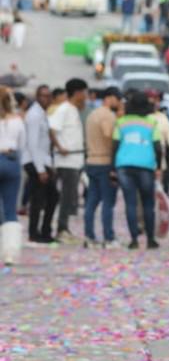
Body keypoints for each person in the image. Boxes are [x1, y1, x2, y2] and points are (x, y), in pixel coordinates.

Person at [114, 91, 162, 249]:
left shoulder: (121, 122)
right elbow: (157, 146)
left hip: (124, 165)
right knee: (148, 204)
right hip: (146, 165)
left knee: (130, 203)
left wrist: (113, 167)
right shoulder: (151, 122)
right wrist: (159, 166)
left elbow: (114, 145)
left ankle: (134, 239)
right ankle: (150, 239)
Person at [49, 78, 87, 242]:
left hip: (75, 160)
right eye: (84, 92)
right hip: (66, 161)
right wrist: (59, 147)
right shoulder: (63, 109)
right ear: (77, 93)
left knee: (71, 196)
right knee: (66, 196)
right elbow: (52, 130)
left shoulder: (74, 109)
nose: (86, 96)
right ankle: (61, 228)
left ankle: (64, 228)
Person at [83, 88, 121, 249]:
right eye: (117, 99)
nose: (119, 103)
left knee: (91, 200)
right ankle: (108, 236)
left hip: (91, 160)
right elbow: (109, 136)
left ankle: (89, 235)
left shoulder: (92, 114)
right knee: (107, 201)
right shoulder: (107, 115)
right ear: (110, 98)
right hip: (104, 161)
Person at [23, 85, 58, 245]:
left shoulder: (42, 114)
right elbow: (32, 144)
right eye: (43, 96)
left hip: (42, 161)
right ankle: (35, 232)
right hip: (34, 162)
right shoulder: (34, 115)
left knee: (51, 197)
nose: (47, 99)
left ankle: (44, 231)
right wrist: (40, 170)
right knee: (39, 199)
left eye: (49, 96)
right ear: (37, 97)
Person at [0, 86, 26, 265]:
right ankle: (10, 252)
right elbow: (22, 146)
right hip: (11, 161)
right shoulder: (17, 121)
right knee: (10, 210)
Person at [146, 91, 169, 196]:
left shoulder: (164, 116)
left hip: (159, 161)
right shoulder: (141, 117)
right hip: (144, 162)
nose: (154, 102)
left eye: (156, 100)